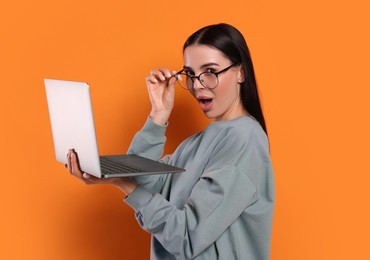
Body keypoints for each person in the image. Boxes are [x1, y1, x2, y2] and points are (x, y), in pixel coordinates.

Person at [67, 23, 275, 260]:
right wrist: (158, 114)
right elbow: (145, 186)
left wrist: (124, 184)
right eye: (190, 74)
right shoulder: (196, 143)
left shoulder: (244, 140)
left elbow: (187, 237)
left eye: (210, 72)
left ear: (241, 72)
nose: (197, 85)